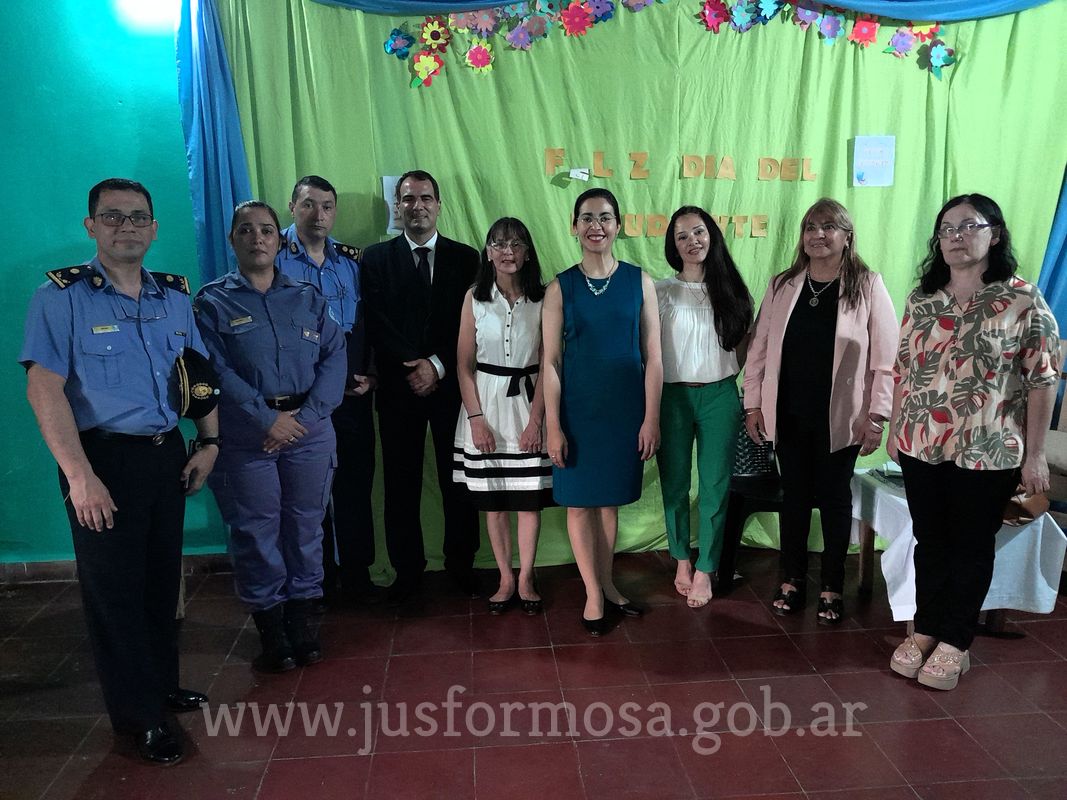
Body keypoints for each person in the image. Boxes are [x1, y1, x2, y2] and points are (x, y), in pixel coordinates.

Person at [19, 178, 219, 765]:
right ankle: (139, 717)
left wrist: (209, 441)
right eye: (113, 217)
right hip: (100, 459)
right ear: (91, 226)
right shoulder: (60, 298)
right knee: (115, 593)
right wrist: (79, 476)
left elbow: (197, 374)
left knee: (161, 582)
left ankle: (159, 685)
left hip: (163, 453)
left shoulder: (173, 295)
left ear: (154, 228)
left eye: (138, 218)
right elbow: (43, 389)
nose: (126, 227)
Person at [888, 194, 1059, 690]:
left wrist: (1036, 453)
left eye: (968, 227)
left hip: (989, 448)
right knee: (930, 542)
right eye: (946, 229)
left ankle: (956, 642)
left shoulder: (1022, 300)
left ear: (995, 234)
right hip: (922, 440)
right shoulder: (923, 298)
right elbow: (905, 370)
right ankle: (925, 629)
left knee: (971, 546)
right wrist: (900, 428)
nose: (955, 237)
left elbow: (1043, 379)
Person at [194, 201, 345, 672]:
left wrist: (307, 415)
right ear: (233, 239)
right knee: (256, 529)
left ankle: (302, 619)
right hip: (247, 436)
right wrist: (266, 419)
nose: (257, 238)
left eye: (265, 230)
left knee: (304, 524)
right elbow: (211, 368)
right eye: (246, 230)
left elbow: (335, 355)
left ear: (279, 241)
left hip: (308, 428)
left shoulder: (308, 297)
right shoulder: (211, 302)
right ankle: (271, 628)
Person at [743, 198, 897, 625]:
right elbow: (758, 350)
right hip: (788, 413)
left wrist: (877, 417)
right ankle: (792, 579)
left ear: (847, 236)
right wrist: (751, 403)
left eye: (829, 226)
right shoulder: (783, 284)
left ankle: (831, 584)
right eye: (811, 226)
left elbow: (886, 361)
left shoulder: (866, 285)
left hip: (842, 419)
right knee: (793, 499)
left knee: (833, 500)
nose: (818, 234)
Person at [542, 187, 662, 636]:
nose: (596, 226)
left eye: (606, 217)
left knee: (609, 503)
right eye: (587, 218)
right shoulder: (560, 287)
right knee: (578, 503)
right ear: (574, 226)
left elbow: (653, 356)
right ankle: (592, 592)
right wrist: (554, 425)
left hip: (624, 407)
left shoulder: (640, 281)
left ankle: (608, 582)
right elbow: (550, 362)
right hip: (577, 409)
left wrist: (650, 417)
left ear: (618, 226)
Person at [362, 170, 481, 605]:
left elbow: (471, 326)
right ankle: (407, 572)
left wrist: (436, 365)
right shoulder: (374, 260)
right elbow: (375, 321)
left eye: (426, 197)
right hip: (397, 389)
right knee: (401, 484)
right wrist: (412, 365)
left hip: (453, 387)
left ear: (439, 204)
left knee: (459, 482)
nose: (418, 206)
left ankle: (462, 566)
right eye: (408, 199)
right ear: (397, 205)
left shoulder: (467, 259)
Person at [277, 175, 378, 606]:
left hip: (350, 393)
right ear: (292, 206)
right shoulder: (270, 255)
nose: (319, 215)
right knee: (305, 495)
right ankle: (313, 581)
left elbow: (367, 324)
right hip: (299, 395)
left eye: (327, 207)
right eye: (309, 205)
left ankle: (357, 577)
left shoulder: (349, 261)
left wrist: (370, 374)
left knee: (355, 487)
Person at [453, 218, 552, 615]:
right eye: (499, 244)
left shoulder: (544, 299)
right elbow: (463, 364)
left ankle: (526, 576)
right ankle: (505, 577)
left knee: (527, 501)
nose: (507, 251)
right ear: (488, 252)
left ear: (527, 251)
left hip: (528, 402)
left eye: (515, 244)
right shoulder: (474, 298)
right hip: (485, 402)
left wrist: (536, 421)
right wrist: (476, 419)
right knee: (492, 501)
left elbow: (548, 364)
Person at [657, 206, 753, 609]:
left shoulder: (732, 290)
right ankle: (681, 559)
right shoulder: (659, 291)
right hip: (672, 397)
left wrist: (721, 376)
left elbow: (745, 348)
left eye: (698, 232)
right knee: (675, 483)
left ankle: (706, 567)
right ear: (672, 245)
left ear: (711, 236)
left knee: (714, 485)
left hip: (719, 396)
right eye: (682, 236)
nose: (692, 241)